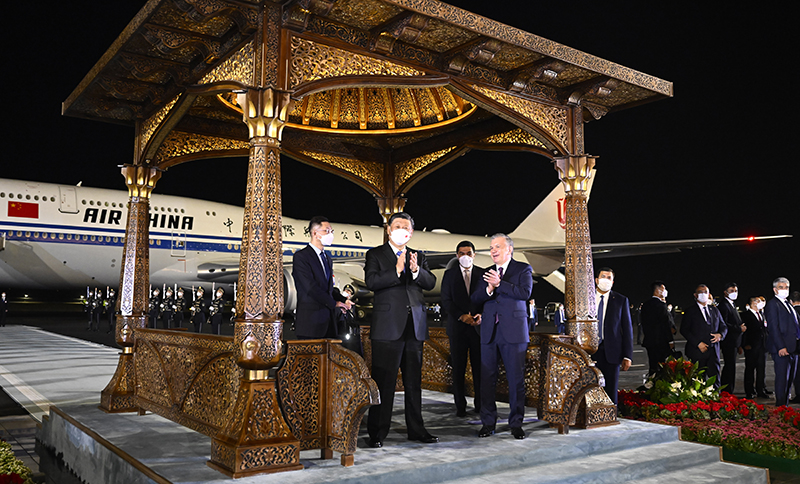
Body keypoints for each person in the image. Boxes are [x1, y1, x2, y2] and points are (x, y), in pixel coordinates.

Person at [364, 212, 437, 448]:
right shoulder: (375, 254)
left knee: (413, 383)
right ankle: (377, 431)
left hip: (414, 327)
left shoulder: (418, 255)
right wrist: (396, 270)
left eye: (406, 227)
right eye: (397, 226)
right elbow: (371, 282)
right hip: (388, 328)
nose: (401, 230)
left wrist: (415, 271)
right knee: (384, 382)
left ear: (412, 232)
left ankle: (416, 429)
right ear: (388, 229)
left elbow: (430, 282)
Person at [471, 234, 533, 440]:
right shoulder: (486, 273)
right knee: (487, 379)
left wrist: (500, 284)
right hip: (489, 332)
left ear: (509, 249)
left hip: (514, 332)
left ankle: (516, 423)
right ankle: (488, 423)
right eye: (491, 247)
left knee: (516, 379)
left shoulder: (522, 269)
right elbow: (475, 298)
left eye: (497, 246)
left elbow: (525, 293)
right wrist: (488, 289)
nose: (493, 250)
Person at [440, 240, 483, 418]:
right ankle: (460, 406)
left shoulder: (482, 273)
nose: (465, 256)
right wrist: (461, 316)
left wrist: (481, 315)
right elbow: (446, 300)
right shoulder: (449, 275)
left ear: (474, 255)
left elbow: (488, 298)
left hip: (478, 329)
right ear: (457, 256)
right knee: (458, 369)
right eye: (461, 253)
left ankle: (480, 405)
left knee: (479, 369)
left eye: (468, 253)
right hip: (457, 329)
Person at [292, 216, 351, 339]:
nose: (330, 234)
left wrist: (343, 300)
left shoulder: (327, 258)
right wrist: (334, 303)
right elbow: (310, 288)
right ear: (315, 233)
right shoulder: (301, 257)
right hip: (310, 324)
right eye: (327, 231)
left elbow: (328, 289)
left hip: (329, 323)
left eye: (331, 231)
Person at [592, 267, 633, 405]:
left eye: (609, 277)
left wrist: (627, 356)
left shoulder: (621, 300)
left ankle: (610, 415)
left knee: (610, 390)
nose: (606, 280)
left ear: (613, 282)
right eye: (603, 276)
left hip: (612, 352)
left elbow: (627, 329)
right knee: (590, 388)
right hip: (589, 351)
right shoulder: (586, 299)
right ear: (596, 280)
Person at [680, 284, 727, 387]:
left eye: (705, 292)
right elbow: (684, 330)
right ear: (695, 295)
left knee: (715, 379)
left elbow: (723, 326)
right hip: (697, 351)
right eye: (700, 292)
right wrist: (698, 343)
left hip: (714, 351)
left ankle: (717, 396)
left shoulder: (714, 310)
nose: (703, 294)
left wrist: (720, 335)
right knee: (697, 381)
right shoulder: (690, 311)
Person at [765, 277, 799, 407]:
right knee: (782, 378)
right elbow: (773, 327)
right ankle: (780, 406)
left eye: (786, 287)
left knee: (790, 379)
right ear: (775, 289)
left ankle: (785, 406)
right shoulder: (773, 304)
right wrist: (781, 346)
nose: (784, 290)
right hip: (782, 348)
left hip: (793, 348)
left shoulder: (788, 304)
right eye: (781, 287)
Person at [640, 281, 674, 375]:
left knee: (653, 366)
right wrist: (670, 340)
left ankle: (651, 381)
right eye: (663, 289)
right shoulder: (661, 305)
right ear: (658, 291)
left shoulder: (645, 305)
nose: (665, 291)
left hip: (650, 341)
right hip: (661, 342)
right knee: (662, 367)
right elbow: (665, 324)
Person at [717, 283, 746, 394]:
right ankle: (726, 390)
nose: (734, 293)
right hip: (728, 341)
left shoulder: (732, 304)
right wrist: (739, 328)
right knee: (729, 366)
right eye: (731, 290)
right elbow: (723, 324)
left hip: (734, 341)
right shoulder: (724, 305)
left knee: (731, 366)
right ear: (725, 292)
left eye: (736, 290)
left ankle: (729, 389)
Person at [741, 296, 770, 399]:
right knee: (750, 369)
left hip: (762, 346)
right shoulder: (745, 315)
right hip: (751, 346)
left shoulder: (761, 314)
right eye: (757, 301)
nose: (759, 303)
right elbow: (744, 332)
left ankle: (760, 390)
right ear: (751, 303)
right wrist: (744, 344)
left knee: (761, 369)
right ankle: (749, 391)